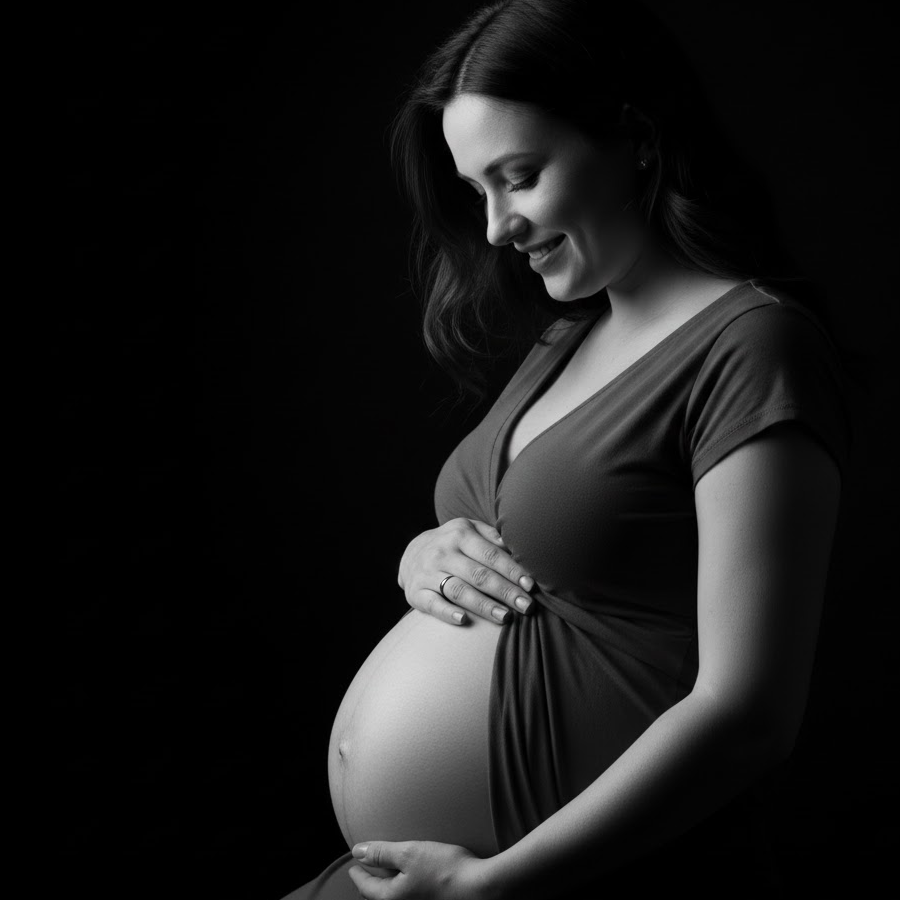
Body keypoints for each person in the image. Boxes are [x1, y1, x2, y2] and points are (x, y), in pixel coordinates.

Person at [286, 1, 853, 897]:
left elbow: (749, 713)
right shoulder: (565, 338)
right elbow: (533, 552)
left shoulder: (750, 345)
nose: (495, 228)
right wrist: (424, 557)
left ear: (632, 138)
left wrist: (497, 884)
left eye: (520, 176)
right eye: (478, 190)